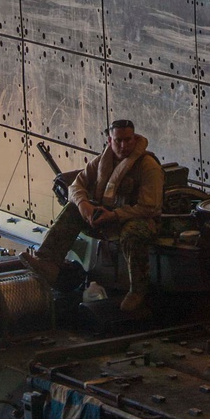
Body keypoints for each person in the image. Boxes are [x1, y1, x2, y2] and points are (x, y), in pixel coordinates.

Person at [22, 119, 163, 313]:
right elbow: (76, 186)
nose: (124, 145)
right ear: (109, 140)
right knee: (72, 210)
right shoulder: (102, 161)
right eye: (118, 140)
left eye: (128, 140)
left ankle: (137, 290)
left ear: (135, 138)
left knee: (133, 234)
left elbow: (150, 208)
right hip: (104, 217)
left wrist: (114, 215)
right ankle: (48, 261)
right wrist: (84, 205)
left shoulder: (147, 166)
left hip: (136, 219)